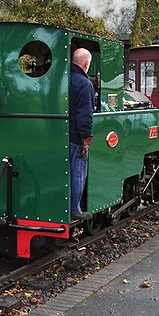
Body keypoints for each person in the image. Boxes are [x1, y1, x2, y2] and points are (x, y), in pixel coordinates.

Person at [69, 48, 95, 221]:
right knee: (78, 171)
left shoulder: (61, 79)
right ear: (86, 64)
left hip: (59, 134)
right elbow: (85, 115)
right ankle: (75, 208)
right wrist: (86, 139)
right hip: (76, 136)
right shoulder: (84, 84)